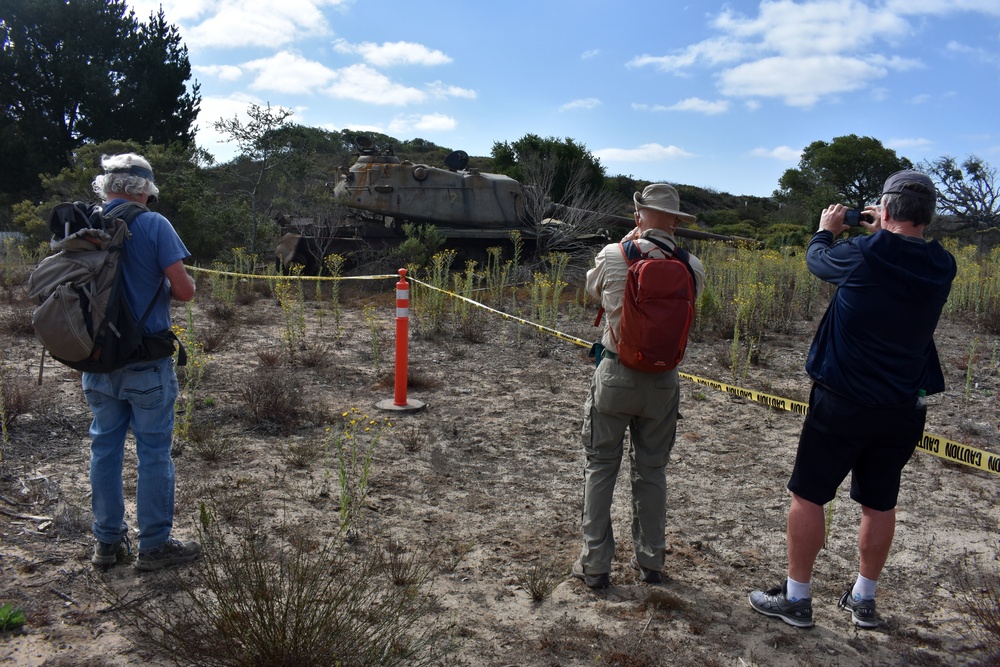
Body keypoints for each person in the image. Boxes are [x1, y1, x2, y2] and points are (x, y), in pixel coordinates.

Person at [748, 170, 957, 628]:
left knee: (808, 496)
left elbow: (818, 259)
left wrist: (827, 227)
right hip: (903, 407)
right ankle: (864, 599)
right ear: (929, 216)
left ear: (884, 209)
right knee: (880, 503)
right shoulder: (943, 265)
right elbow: (903, 253)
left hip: (841, 400)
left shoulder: (862, 254)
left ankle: (798, 599)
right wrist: (882, 228)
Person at [573, 184, 706, 588]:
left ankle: (595, 565)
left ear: (639, 215)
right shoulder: (692, 265)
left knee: (600, 467)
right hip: (663, 382)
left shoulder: (613, 255)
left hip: (616, 373)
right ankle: (651, 561)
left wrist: (623, 246)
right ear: (676, 224)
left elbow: (591, 293)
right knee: (651, 472)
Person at [85, 153, 201, 571]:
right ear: (146, 187)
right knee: (153, 452)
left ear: (107, 184)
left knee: (104, 449)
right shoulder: (154, 224)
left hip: (96, 360)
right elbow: (184, 292)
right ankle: (154, 546)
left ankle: (106, 544)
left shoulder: (85, 221)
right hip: (145, 360)